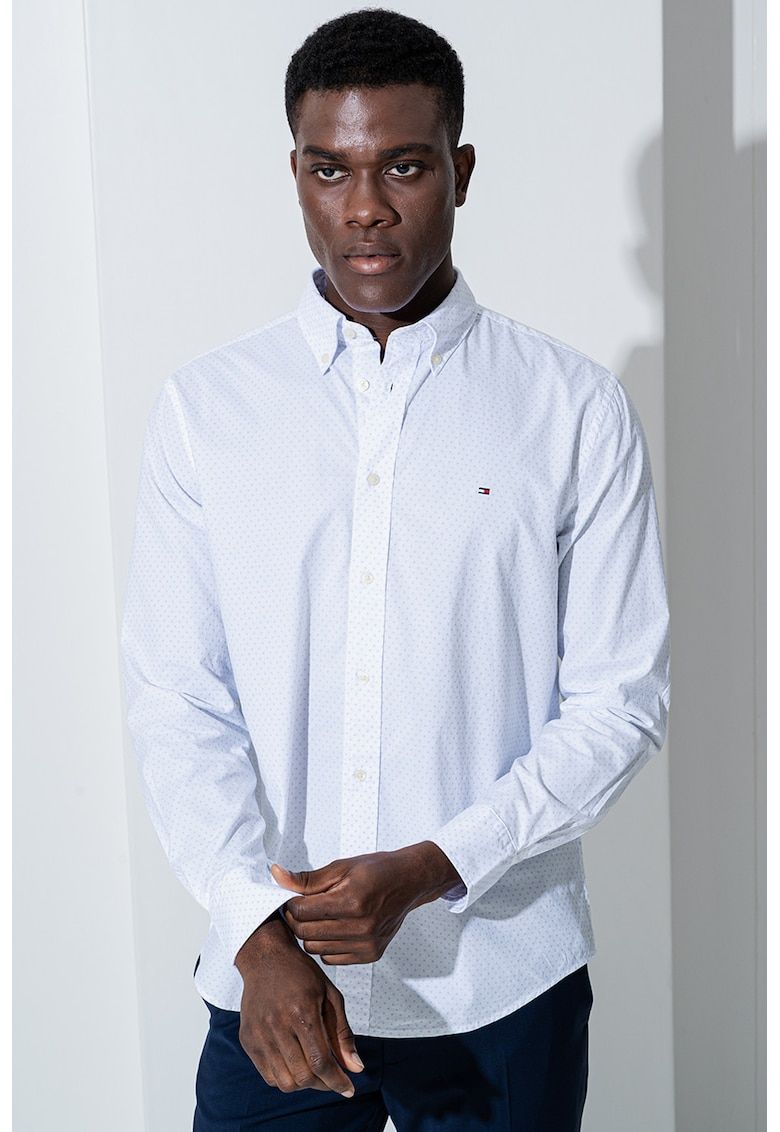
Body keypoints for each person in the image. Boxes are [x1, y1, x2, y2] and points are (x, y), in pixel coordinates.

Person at [120, 8, 671, 1130]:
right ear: (296, 175)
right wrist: (253, 931)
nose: (365, 206)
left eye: (404, 166)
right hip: (273, 986)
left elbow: (620, 702)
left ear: (460, 172)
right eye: (331, 169)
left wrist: (433, 867)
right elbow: (177, 696)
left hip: (499, 982)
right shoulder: (208, 411)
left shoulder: (572, 410)